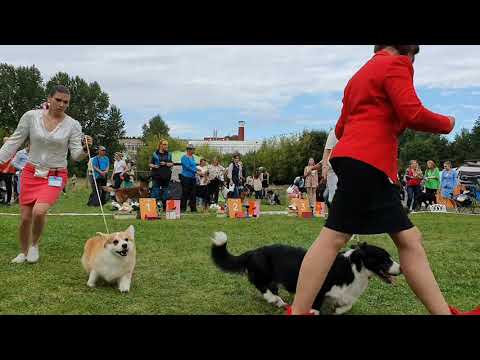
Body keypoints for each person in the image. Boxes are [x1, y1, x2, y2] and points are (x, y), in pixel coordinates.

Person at [289, 45, 472, 316]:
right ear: (408, 51)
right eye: (414, 57)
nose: (413, 63)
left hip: (350, 159)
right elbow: (413, 112)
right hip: (371, 162)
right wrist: (448, 123)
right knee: (393, 240)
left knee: (340, 237)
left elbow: (340, 128)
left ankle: (300, 311)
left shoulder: (359, 76)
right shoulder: (396, 65)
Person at [0, 85, 92, 264]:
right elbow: (14, 141)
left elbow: (76, 155)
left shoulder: (73, 125)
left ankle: (34, 245)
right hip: (30, 172)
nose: (61, 104)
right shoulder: (30, 117)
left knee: (39, 212)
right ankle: (23, 251)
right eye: (58, 100)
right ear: (49, 99)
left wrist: (85, 149)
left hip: (55, 175)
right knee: (25, 218)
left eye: (66, 102)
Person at [149, 139, 173, 211]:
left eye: (167, 144)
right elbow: (150, 164)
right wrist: (154, 166)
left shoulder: (169, 154)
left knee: (165, 192)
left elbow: (172, 164)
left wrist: (166, 164)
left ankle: (165, 208)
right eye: (165, 144)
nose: (166, 146)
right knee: (155, 192)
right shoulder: (154, 154)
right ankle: (152, 209)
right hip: (156, 175)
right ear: (160, 145)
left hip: (166, 176)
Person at [321, 129, 339, 208]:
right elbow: (327, 151)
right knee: (333, 197)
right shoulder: (334, 132)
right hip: (333, 170)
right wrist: (324, 167)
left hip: (348, 169)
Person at [180, 144, 198, 212]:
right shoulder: (184, 158)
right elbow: (187, 167)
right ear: (188, 150)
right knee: (185, 193)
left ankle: (193, 209)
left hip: (193, 178)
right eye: (193, 149)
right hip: (185, 177)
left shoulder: (193, 157)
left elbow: (193, 166)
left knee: (193, 193)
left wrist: (198, 169)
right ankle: (183, 208)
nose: (194, 150)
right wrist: (196, 172)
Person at [0, 137, 17, 206]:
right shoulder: (2, 149)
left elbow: (12, 160)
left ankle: (8, 201)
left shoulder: (12, 150)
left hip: (9, 171)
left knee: (8, 186)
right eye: (4, 141)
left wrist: (7, 168)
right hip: (1, 169)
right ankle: (1, 197)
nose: (6, 142)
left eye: (7, 141)